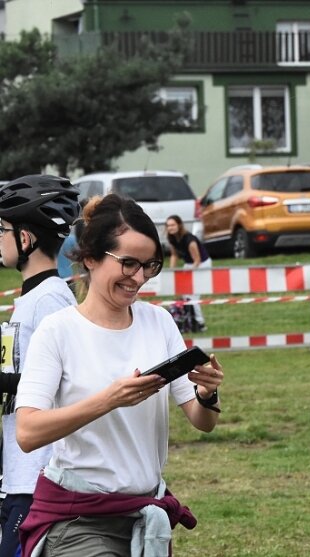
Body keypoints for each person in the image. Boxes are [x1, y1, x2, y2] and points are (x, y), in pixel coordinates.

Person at [15, 194, 224, 556]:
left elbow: (202, 422)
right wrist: (109, 400)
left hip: (145, 513)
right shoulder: (58, 330)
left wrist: (207, 394)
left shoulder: (158, 321)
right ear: (91, 258)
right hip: (79, 519)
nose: (139, 277)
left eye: (149, 265)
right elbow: (28, 433)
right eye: (128, 263)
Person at [0, 175, 81, 557]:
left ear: (26, 239)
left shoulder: (50, 300)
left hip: (37, 477)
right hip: (17, 473)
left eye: (2, 229)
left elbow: (61, 384)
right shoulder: (30, 299)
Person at [165, 215, 211, 331]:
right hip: (188, 263)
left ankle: (200, 323)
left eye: (173, 225)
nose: (170, 228)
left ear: (179, 225)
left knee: (192, 295)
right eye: (168, 225)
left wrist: (188, 275)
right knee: (183, 293)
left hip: (201, 264)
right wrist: (172, 271)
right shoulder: (171, 239)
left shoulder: (189, 240)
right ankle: (188, 319)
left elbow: (197, 260)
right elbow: (174, 255)